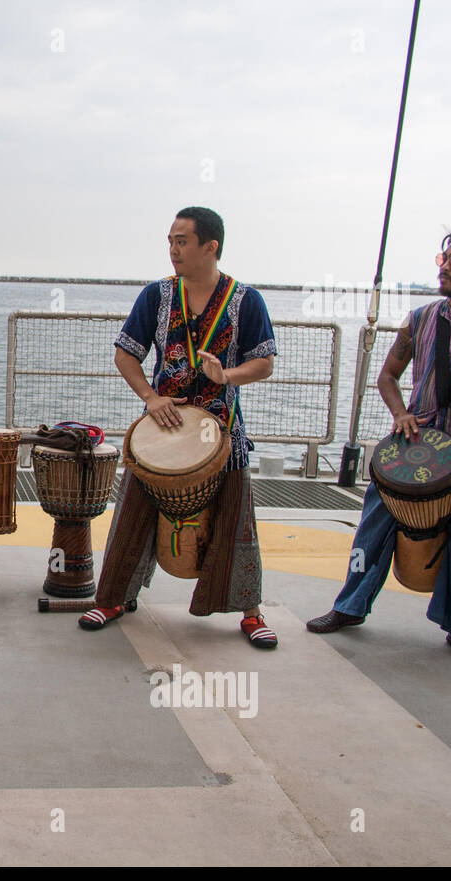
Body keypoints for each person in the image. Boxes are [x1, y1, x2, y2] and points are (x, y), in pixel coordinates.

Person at [307, 228, 451, 663]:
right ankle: (348, 607)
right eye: (443, 258)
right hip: (412, 450)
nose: (443, 266)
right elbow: (388, 376)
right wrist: (400, 414)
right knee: (370, 532)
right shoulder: (421, 319)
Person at [78, 207, 280, 649]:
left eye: (183, 241)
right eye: (170, 240)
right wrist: (150, 399)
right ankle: (112, 598)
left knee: (237, 521)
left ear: (212, 246)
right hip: (164, 427)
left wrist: (227, 376)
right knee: (132, 511)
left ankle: (250, 612)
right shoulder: (156, 296)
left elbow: (263, 363)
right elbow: (125, 355)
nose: (173, 249)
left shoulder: (246, 300)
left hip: (221, 433)